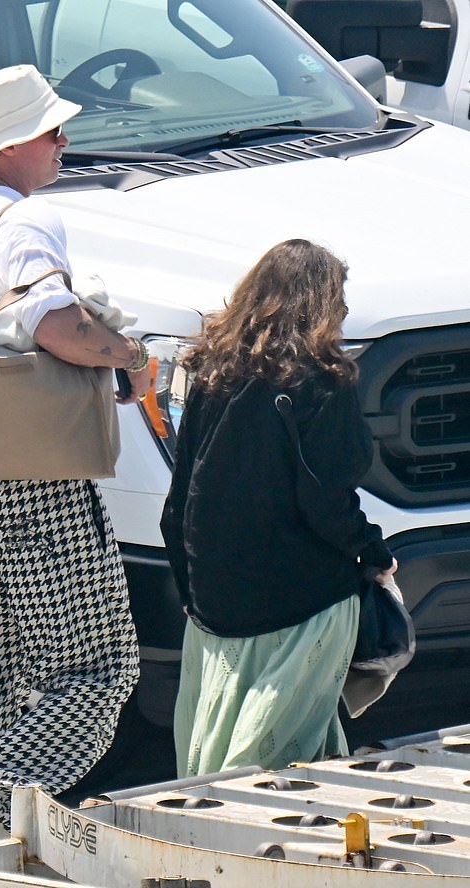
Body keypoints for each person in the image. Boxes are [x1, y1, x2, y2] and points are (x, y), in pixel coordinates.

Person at [0, 64, 148, 845]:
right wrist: (128, 357)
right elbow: (54, 323)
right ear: (14, 143)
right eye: (52, 131)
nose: (64, 143)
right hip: (34, 481)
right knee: (95, 672)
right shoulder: (25, 221)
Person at [160, 239, 397, 778]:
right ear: (321, 304)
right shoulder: (320, 380)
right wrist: (373, 554)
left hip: (217, 598)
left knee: (217, 745)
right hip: (299, 596)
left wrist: (189, 590)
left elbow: (180, 499)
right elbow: (325, 498)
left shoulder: (211, 373)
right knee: (276, 756)